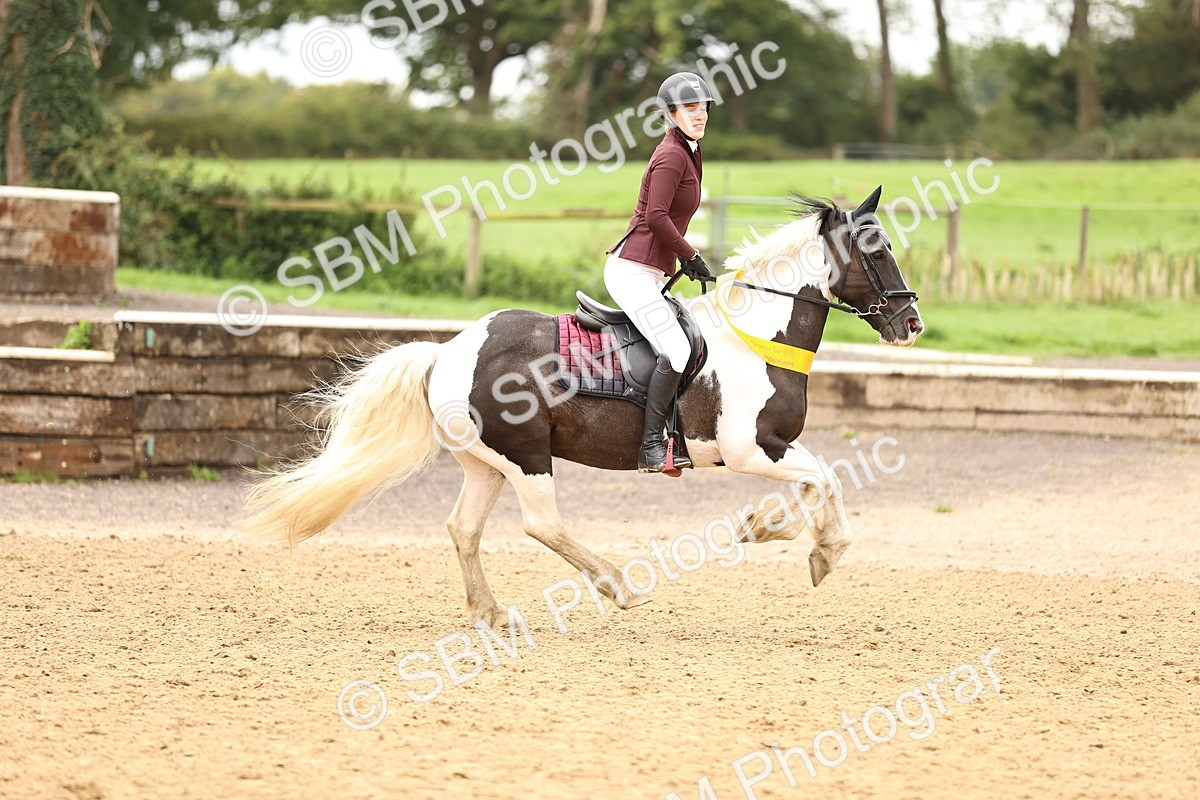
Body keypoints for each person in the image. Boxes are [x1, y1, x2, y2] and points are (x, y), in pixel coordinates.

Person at [605, 71, 716, 474]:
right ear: (670, 113)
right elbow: (655, 216)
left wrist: (684, 258)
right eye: (690, 108)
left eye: (703, 107)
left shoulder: (689, 149)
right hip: (631, 272)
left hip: (649, 272)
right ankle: (652, 447)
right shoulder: (672, 154)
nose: (699, 115)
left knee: (690, 339)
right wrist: (689, 255)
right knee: (679, 349)